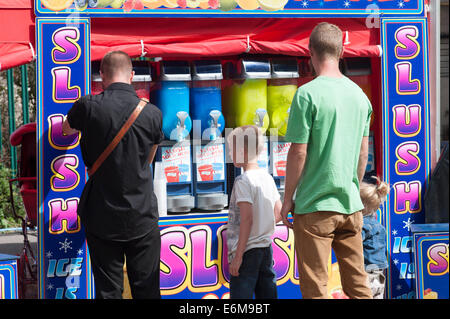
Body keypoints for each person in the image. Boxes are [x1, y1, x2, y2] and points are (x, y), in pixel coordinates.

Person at [280, 22, 373, 299]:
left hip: (314, 206)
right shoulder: (359, 96)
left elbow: (298, 152)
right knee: (359, 287)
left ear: (310, 53)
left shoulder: (307, 94)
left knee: (315, 289)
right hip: (350, 206)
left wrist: (287, 200)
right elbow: (362, 154)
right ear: (342, 51)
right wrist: (353, 190)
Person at [62, 51, 164, 299]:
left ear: (102, 76)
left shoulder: (87, 106)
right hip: (142, 215)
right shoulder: (152, 113)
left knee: (108, 291)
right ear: (131, 75)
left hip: (102, 215)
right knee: (147, 289)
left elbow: (66, 130)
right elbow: (149, 159)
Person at [226, 125, 282, 299]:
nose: (230, 154)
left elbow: (247, 219)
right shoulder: (267, 177)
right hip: (266, 248)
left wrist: (238, 257)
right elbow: (279, 213)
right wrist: (263, 225)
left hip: (247, 251)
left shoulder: (243, 181)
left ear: (242, 151)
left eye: (231, 150)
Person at [360, 177, 389, 299]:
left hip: (367, 273)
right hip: (379, 273)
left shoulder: (364, 225)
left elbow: (354, 242)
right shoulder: (379, 225)